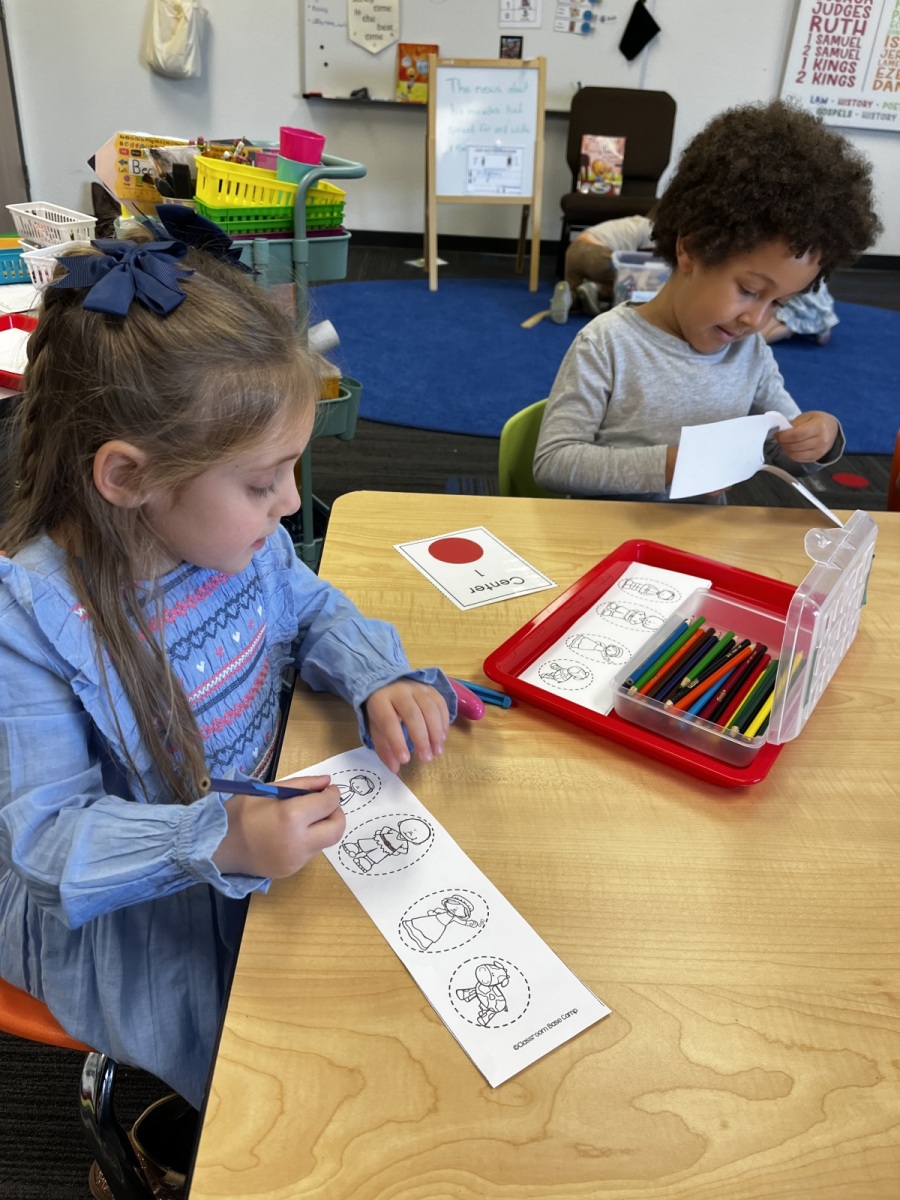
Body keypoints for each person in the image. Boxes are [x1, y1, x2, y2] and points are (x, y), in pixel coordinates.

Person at [0, 235, 456, 1195]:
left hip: (252, 834)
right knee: (293, 1082)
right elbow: (45, 847)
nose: (290, 504)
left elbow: (315, 608)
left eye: (291, 469)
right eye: (261, 481)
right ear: (127, 477)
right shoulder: (30, 620)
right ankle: (195, 1153)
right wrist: (219, 837)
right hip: (135, 902)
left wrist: (376, 676)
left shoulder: (236, 541)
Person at [534, 99, 881, 501]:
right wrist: (669, 465)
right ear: (691, 249)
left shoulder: (750, 354)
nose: (757, 320)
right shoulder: (606, 344)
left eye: (779, 303)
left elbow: (779, 452)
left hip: (702, 534)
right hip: (605, 534)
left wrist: (817, 439)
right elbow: (553, 463)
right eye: (749, 291)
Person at [563, 210, 657, 317]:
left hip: (574, 249)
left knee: (575, 292)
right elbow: (647, 263)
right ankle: (596, 289)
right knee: (628, 286)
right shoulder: (651, 228)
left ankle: (570, 297)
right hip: (597, 253)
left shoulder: (632, 222)